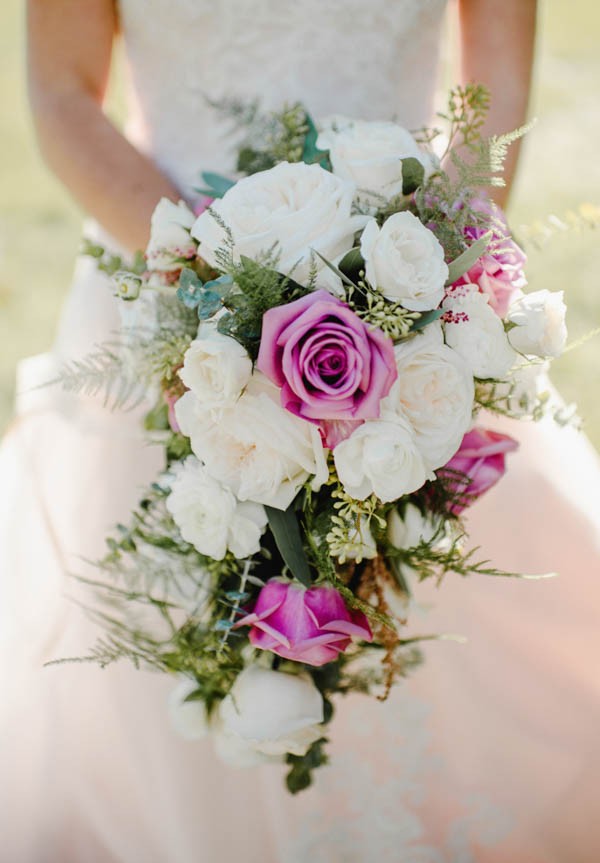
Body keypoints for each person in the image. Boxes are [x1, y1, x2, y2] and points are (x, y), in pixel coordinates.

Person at [1, 0, 599, 860]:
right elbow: (62, 93)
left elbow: (496, 78)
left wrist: (416, 290)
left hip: (409, 302)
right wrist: (225, 298)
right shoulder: (194, 299)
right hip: (172, 305)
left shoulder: (414, 303)